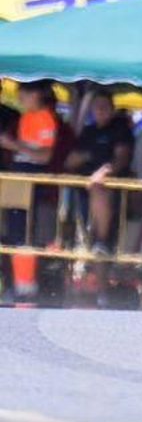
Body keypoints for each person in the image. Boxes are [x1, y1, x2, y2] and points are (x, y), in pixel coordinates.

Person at [0, 80, 62, 300]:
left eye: (23, 94)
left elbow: (44, 155)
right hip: (18, 177)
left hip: (30, 180)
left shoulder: (45, 118)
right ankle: (15, 283)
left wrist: (12, 144)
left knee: (22, 234)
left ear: (35, 95)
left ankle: (24, 286)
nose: (20, 98)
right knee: (12, 231)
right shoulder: (25, 117)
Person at [65, 88, 133, 253]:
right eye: (97, 106)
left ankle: (101, 241)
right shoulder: (88, 131)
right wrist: (89, 155)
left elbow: (121, 158)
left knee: (101, 249)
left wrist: (103, 172)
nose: (100, 109)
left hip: (111, 194)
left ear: (112, 108)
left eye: (104, 106)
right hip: (82, 194)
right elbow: (71, 160)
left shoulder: (120, 128)